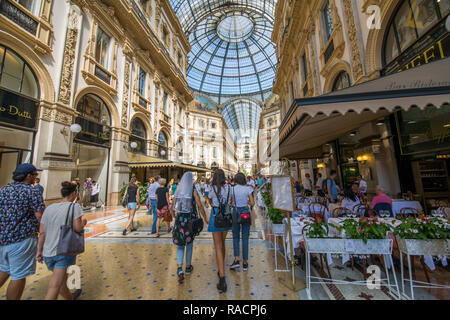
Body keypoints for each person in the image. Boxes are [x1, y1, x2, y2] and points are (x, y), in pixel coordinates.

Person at [0, 164, 45, 300]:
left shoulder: (3, 190)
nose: (35, 178)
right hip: (22, 239)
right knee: (18, 276)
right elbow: (40, 217)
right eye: (35, 175)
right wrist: (43, 238)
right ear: (28, 176)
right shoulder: (32, 191)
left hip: (3, 239)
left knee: (4, 269)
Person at [36, 182, 86, 300]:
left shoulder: (49, 208)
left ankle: (70, 298)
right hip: (63, 250)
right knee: (55, 285)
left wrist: (39, 251)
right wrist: (84, 223)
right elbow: (77, 227)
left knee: (61, 281)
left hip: (48, 252)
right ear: (74, 193)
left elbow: (42, 232)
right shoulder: (74, 207)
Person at [170, 172, 208, 284]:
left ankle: (179, 269)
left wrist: (173, 218)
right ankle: (188, 267)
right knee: (189, 243)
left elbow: (172, 206)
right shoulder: (193, 190)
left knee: (180, 245)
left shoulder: (178, 190)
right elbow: (199, 205)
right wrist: (205, 218)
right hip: (190, 221)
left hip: (179, 220)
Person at [207, 169, 232, 292]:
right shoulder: (229, 188)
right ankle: (221, 268)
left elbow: (209, 200)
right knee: (222, 243)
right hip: (226, 217)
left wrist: (214, 205)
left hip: (216, 215)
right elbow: (231, 202)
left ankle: (222, 278)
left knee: (217, 246)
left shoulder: (212, 188)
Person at [230, 173, 255, 271]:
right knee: (245, 237)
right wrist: (247, 202)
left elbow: (231, 203)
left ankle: (236, 259)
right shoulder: (248, 189)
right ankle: (245, 262)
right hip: (245, 212)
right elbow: (253, 203)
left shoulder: (232, 189)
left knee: (235, 236)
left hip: (236, 212)